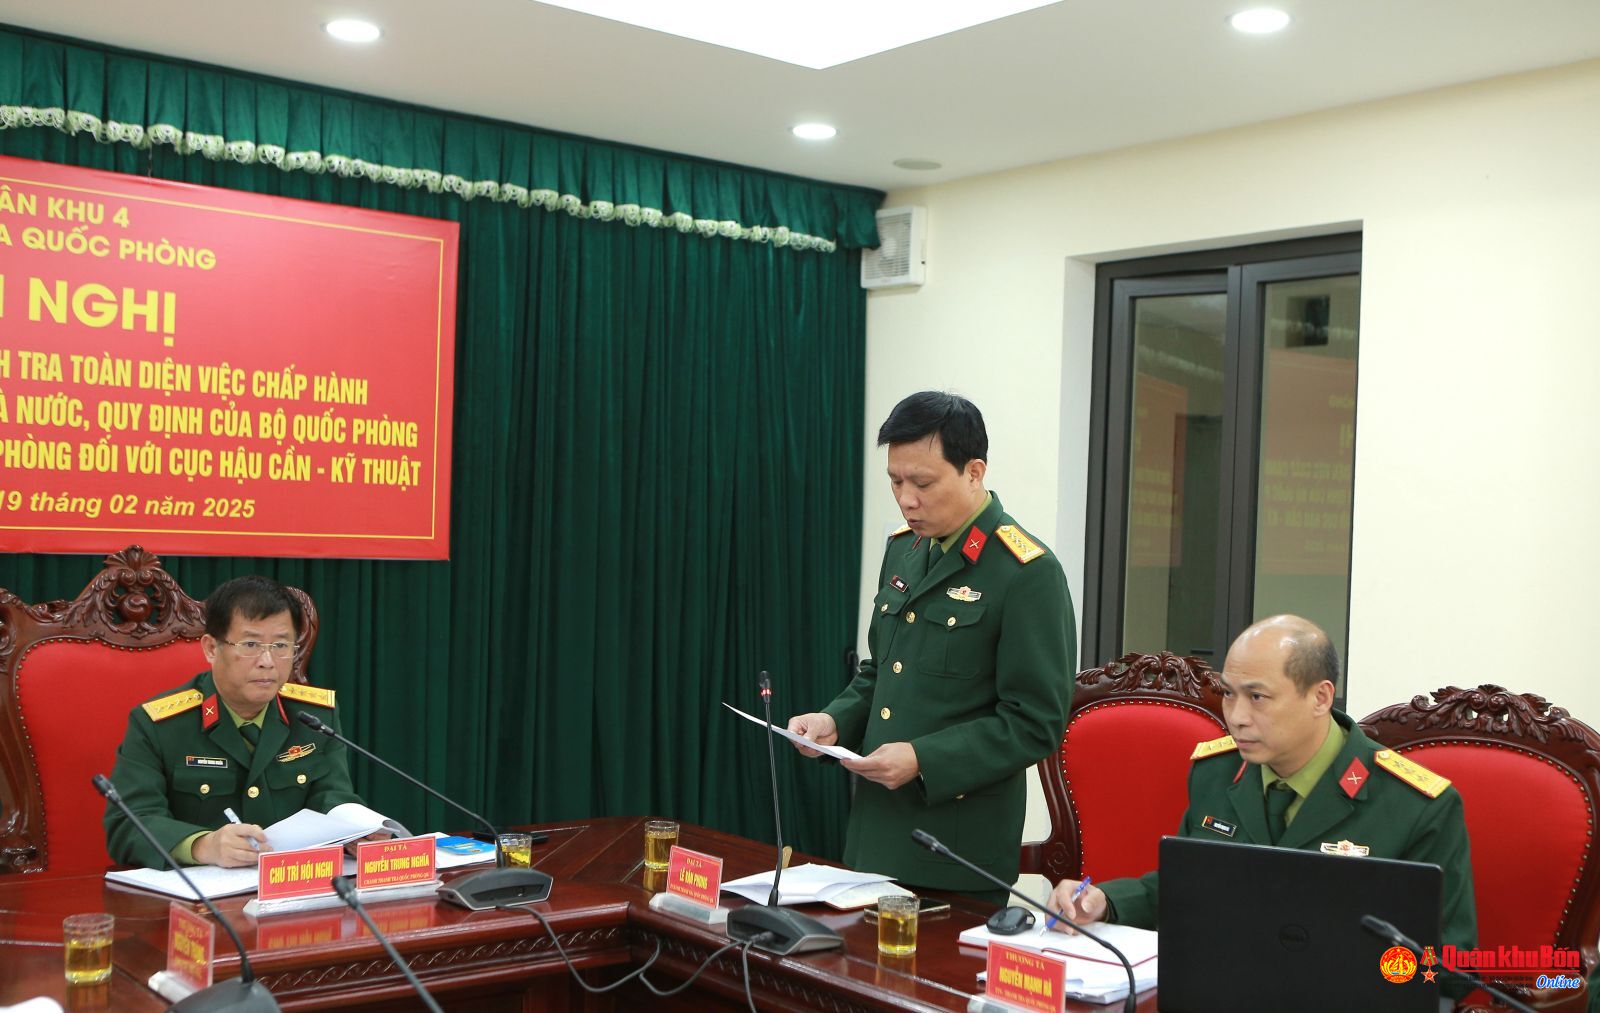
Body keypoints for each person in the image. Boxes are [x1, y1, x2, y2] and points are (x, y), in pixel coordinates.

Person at [787, 391, 1075, 901]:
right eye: (895, 481)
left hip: (954, 854)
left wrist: (923, 758)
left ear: (974, 472)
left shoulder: (1027, 573)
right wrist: (835, 721)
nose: (906, 499)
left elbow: (1035, 723)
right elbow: (882, 671)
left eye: (922, 483)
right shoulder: (905, 549)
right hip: (874, 837)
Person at [1045, 614, 1476, 951]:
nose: (1237, 717)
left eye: (1257, 697)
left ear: (1320, 697)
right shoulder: (1216, 773)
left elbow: (1447, 961)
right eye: (1229, 693)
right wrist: (1105, 901)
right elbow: (1186, 887)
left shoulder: (1415, 805)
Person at [104, 575, 393, 868]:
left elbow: (332, 796)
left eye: (281, 645)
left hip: (291, 885)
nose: (267, 661)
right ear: (211, 649)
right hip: (203, 891)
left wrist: (355, 830)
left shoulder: (314, 717)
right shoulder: (159, 725)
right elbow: (127, 825)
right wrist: (203, 845)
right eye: (251, 644)